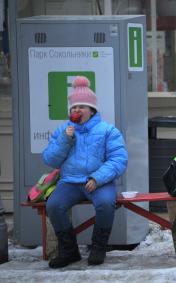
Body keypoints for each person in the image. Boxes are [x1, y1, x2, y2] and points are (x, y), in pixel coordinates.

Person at [43, 76, 128, 268]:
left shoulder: (108, 130)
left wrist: (97, 178)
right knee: (53, 205)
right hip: (70, 181)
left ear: (91, 110)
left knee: (106, 203)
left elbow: (119, 160)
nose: (76, 110)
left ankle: (98, 247)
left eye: (81, 106)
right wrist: (65, 140)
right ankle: (69, 251)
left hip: (98, 182)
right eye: (73, 107)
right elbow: (50, 159)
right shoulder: (63, 131)